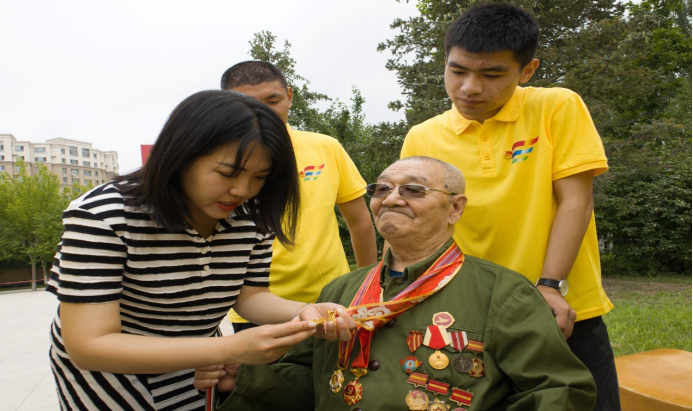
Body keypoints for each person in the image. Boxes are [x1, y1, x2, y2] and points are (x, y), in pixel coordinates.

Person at [195, 156, 598, 411]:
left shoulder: (503, 293)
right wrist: (243, 378)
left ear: (455, 207)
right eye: (382, 189)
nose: (390, 198)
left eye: (413, 190)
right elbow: (310, 383)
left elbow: (558, 389)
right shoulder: (339, 292)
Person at [46, 90, 355, 411]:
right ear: (182, 155)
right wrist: (230, 349)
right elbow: (89, 345)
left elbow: (250, 297)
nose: (242, 190)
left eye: (260, 177)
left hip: (199, 366)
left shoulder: (251, 213)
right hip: (111, 376)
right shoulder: (104, 216)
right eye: (227, 173)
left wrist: (304, 312)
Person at [399, 3, 619, 410]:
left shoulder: (556, 107)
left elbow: (576, 200)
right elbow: (416, 225)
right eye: (458, 71)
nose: (470, 88)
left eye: (492, 75)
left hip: (560, 311)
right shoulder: (422, 136)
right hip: (468, 315)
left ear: (527, 70)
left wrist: (550, 285)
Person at [220, 61, 377, 333]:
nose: (264, 112)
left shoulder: (325, 147)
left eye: (273, 101)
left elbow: (360, 222)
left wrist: (367, 287)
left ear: (289, 96)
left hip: (335, 300)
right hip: (255, 306)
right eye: (248, 104)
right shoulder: (219, 159)